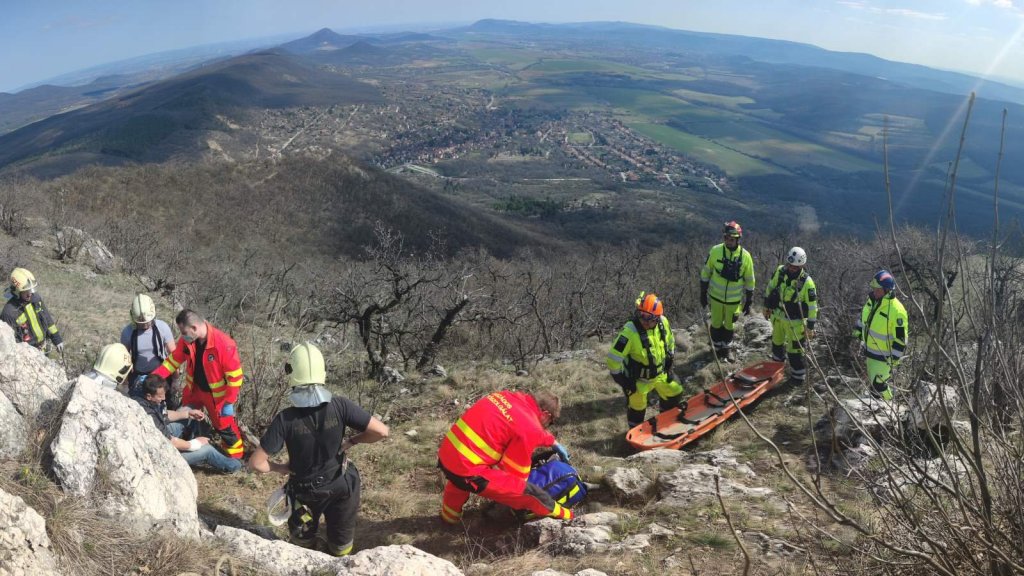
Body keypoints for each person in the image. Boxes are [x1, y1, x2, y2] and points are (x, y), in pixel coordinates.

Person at [249, 343, 389, 556]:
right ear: (322, 372)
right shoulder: (341, 406)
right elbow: (381, 431)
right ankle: (339, 563)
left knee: (303, 544)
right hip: (342, 484)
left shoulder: (285, 419)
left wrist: (281, 468)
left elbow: (257, 463)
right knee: (341, 546)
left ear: (293, 374)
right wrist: (352, 441)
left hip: (304, 492)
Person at [437, 389, 574, 525]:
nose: (546, 427)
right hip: (467, 470)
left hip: (448, 453)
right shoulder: (530, 427)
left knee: (457, 484)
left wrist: (553, 442)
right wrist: (525, 487)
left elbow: (522, 424)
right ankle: (569, 516)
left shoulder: (504, 396)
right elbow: (516, 472)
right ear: (545, 414)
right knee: (534, 495)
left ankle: (449, 519)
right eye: (550, 422)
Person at [151, 309, 246, 460]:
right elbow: (172, 362)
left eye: (184, 332)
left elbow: (235, 378)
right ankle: (185, 447)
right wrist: (153, 378)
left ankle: (236, 459)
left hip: (217, 398)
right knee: (183, 417)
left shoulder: (224, 344)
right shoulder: (188, 341)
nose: (182, 336)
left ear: (194, 328)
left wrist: (229, 402)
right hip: (194, 391)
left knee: (225, 428)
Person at [606, 292, 684, 430]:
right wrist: (623, 381)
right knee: (637, 409)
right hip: (638, 381)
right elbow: (613, 359)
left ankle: (665, 419)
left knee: (675, 392)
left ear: (658, 318)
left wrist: (670, 359)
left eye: (649, 318)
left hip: (660, 374)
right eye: (642, 316)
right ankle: (635, 434)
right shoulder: (629, 332)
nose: (645, 321)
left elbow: (670, 341)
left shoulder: (663, 323)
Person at [135, 375, 242, 473]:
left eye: (164, 395)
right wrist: (196, 444)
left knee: (189, 420)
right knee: (207, 451)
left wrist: (187, 414)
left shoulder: (147, 399)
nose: (163, 398)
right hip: (161, 455)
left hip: (163, 436)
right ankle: (236, 466)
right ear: (149, 396)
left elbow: (164, 414)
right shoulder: (147, 414)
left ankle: (194, 449)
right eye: (160, 396)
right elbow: (170, 441)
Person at [700, 221, 755, 362]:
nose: (728, 241)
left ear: (737, 239)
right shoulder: (716, 251)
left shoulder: (745, 257)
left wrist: (749, 300)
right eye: (726, 238)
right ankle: (717, 349)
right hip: (716, 297)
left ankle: (727, 349)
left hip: (733, 300)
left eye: (732, 239)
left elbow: (749, 279)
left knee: (729, 325)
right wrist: (703, 292)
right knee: (716, 324)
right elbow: (706, 272)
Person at [763, 247, 818, 386]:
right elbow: (770, 288)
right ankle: (776, 372)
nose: (792, 268)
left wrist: (810, 327)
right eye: (790, 265)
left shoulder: (807, 283)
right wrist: (767, 306)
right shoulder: (780, 272)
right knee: (776, 344)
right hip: (778, 317)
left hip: (796, 322)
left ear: (802, 266)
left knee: (795, 351)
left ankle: (797, 377)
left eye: (796, 267)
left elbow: (812, 307)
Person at [853, 270, 908, 401]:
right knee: (874, 384)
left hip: (884, 356)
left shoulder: (897, 311)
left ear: (887, 290)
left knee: (880, 384)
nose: (875, 292)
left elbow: (900, 339)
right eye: (874, 289)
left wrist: (893, 358)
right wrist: (857, 334)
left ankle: (891, 408)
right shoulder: (871, 301)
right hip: (870, 352)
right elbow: (863, 319)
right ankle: (877, 409)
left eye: (878, 289)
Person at [120, 294, 177, 399]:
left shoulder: (162, 328)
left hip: (161, 374)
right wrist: (125, 384)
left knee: (165, 405)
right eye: (141, 324)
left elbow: (174, 355)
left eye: (147, 323)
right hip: (137, 375)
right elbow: (123, 359)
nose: (145, 326)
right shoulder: (128, 332)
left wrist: (175, 380)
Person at [1, 268, 64, 352]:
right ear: (17, 292)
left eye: (31, 290)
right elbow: (8, 342)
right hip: (27, 353)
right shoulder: (9, 313)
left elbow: (47, 318)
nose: (30, 294)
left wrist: (57, 339)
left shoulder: (36, 298)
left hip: (43, 348)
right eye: (26, 291)